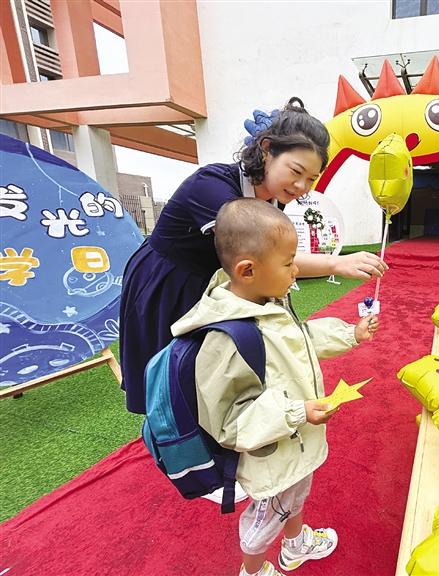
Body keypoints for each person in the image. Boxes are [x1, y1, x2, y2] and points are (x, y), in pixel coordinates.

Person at [119, 97, 386, 414]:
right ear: (266, 149)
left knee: (216, 379)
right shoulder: (212, 186)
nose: (301, 186)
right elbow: (264, 258)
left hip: (218, 282)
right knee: (172, 382)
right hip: (171, 281)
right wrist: (335, 263)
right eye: (296, 171)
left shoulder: (274, 197)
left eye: (312, 179)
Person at [172, 198, 379, 576]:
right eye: (288, 263)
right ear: (248, 270)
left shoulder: (266, 302)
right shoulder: (227, 337)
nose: (297, 270)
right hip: (271, 454)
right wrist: (298, 412)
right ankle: (252, 571)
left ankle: (295, 546)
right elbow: (230, 421)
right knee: (267, 517)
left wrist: (351, 333)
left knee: (294, 495)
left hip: (294, 444)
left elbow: (298, 339)